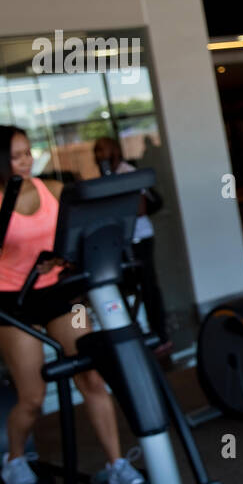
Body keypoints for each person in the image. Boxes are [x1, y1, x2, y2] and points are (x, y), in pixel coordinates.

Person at [0, 125, 143, 484]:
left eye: (28, 152)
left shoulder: (55, 190)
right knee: (32, 397)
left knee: (92, 376)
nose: (26, 161)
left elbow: (77, 234)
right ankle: (14, 459)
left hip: (61, 294)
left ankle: (117, 464)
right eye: (16, 156)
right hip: (13, 303)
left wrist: (61, 258)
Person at [92, 136, 171, 356]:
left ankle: (161, 336)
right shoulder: (107, 176)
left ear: (114, 151)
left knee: (148, 286)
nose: (99, 156)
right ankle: (136, 333)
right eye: (97, 151)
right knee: (127, 287)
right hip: (120, 241)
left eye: (103, 150)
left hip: (139, 239)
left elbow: (140, 209)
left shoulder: (127, 173)